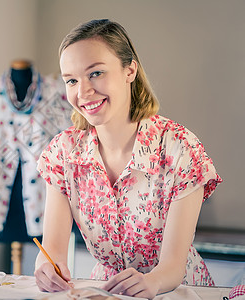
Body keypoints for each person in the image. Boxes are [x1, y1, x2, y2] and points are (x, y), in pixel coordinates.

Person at [34, 19, 222, 299]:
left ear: (129, 70)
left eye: (95, 73)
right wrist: (47, 268)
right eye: (71, 80)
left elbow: (172, 267)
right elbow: (51, 252)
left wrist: (152, 282)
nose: (83, 91)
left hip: (175, 291)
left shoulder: (180, 147)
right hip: (105, 292)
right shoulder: (63, 153)